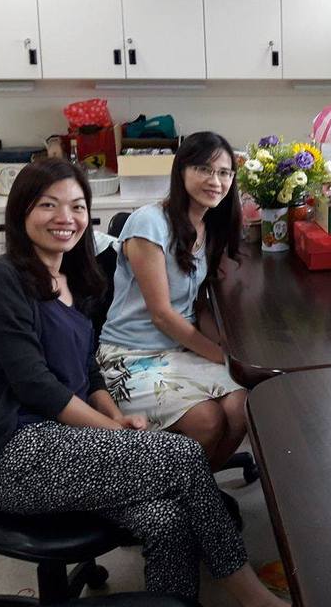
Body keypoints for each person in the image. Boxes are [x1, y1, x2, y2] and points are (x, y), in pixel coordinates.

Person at [0, 158, 285, 606]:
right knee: (184, 456)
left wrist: (116, 416)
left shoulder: (74, 279)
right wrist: (113, 431)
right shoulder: (1, 279)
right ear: (21, 212)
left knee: (168, 519)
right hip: (13, 455)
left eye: (77, 206)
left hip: (72, 445)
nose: (65, 217)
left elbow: (88, 371)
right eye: (48, 205)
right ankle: (251, 595)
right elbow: (37, 386)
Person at [98, 132, 246, 470]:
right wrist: (223, 357)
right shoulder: (149, 223)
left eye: (224, 173)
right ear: (181, 171)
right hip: (130, 354)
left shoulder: (208, 226)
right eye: (204, 169)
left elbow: (198, 302)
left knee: (240, 406)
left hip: (177, 350)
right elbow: (162, 315)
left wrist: (223, 347)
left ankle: (195, 488)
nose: (216, 181)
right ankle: (175, 490)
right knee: (207, 420)